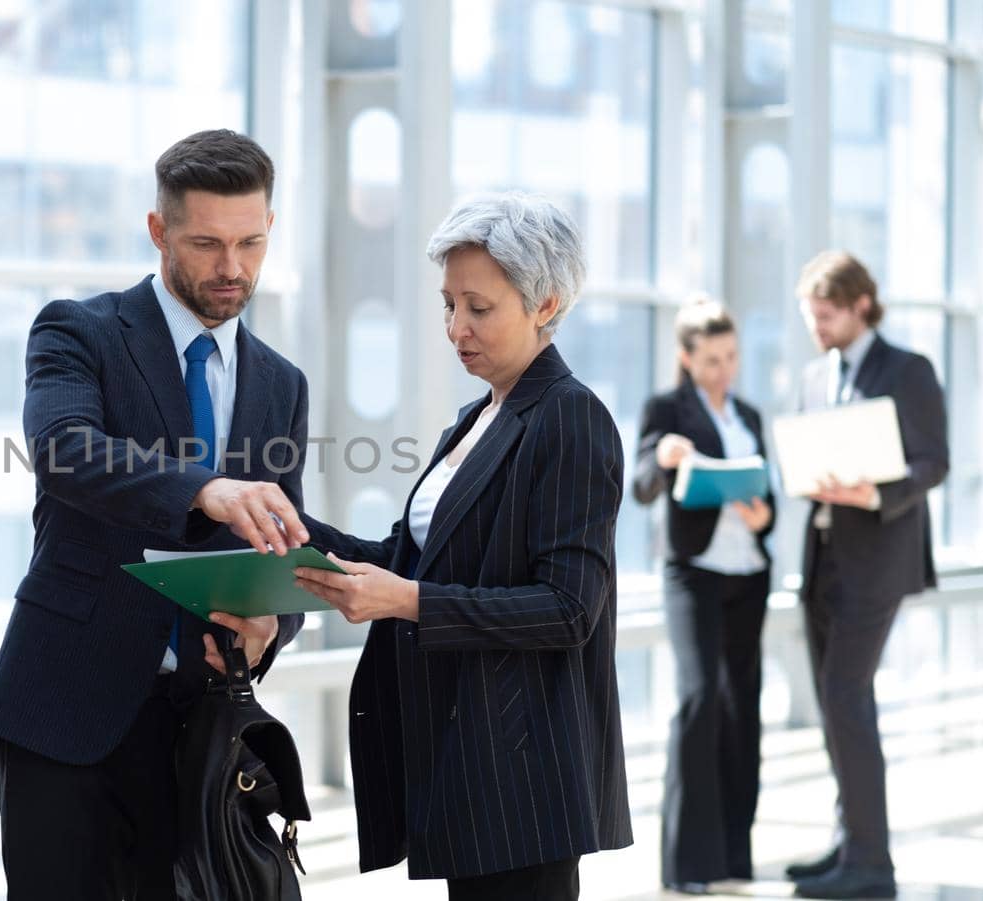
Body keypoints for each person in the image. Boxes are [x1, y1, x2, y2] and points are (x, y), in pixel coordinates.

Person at [0, 129, 315, 900]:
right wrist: (203, 488)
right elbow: (63, 450)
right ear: (159, 231)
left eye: (251, 242)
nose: (233, 268)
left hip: (200, 719)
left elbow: (283, 532)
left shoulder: (281, 383)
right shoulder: (80, 330)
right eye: (206, 243)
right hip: (65, 706)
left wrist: (273, 625)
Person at [292, 192, 632, 900]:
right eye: (449, 304)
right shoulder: (479, 415)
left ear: (546, 303)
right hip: (472, 761)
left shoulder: (570, 418)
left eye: (479, 307)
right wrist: (292, 529)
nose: (456, 328)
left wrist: (409, 602)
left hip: (522, 774)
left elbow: (570, 608)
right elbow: (408, 556)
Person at [783, 251, 948, 900]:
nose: (816, 329)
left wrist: (872, 493)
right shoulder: (812, 376)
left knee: (845, 693)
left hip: (878, 557)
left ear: (860, 306)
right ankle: (851, 839)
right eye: (809, 318)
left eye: (825, 316)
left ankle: (872, 861)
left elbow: (933, 461)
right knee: (835, 701)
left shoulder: (908, 370)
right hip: (822, 557)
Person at [632, 297, 774, 893]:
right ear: (686, 359)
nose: (724, 370)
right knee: (697, 701)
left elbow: (770, 505)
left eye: (731, 357)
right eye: (711, 359)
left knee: (743, 708)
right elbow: (639, 487)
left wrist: (763, 515)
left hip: (749, 574)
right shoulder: (666, 410)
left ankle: (733, 859)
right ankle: (688, 866)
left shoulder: (749, 414)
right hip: (694, 573)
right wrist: (662, 458)